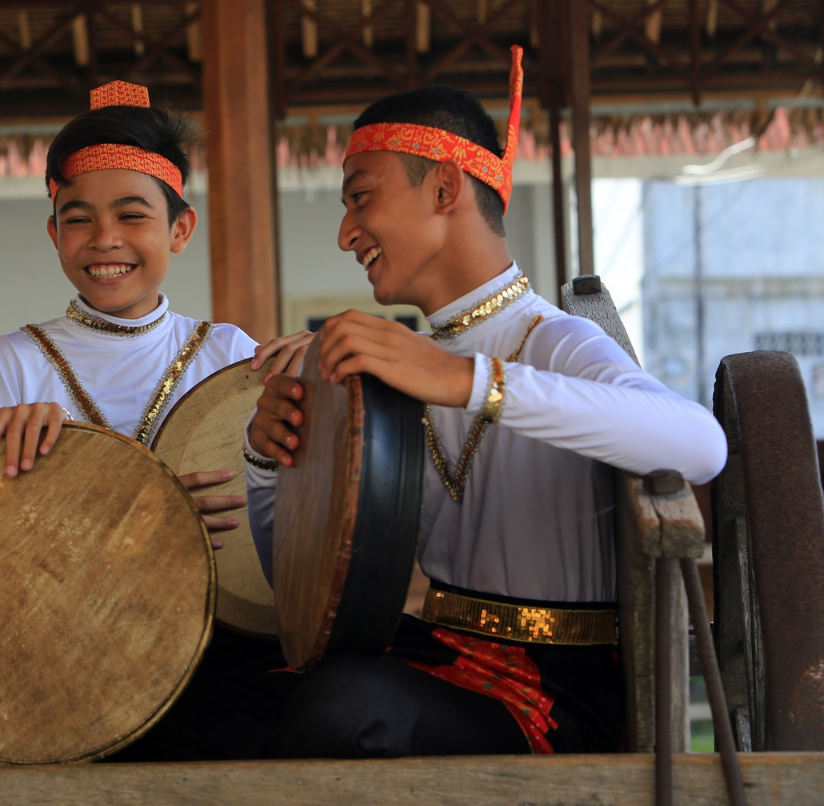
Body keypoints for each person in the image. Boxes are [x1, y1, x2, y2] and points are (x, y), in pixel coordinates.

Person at [244, 47, 728, 758]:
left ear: (444, 189)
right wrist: (270, 458)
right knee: (220, 694)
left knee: (347, 708)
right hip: (439, 656)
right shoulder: (400, 366)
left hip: (552, 694)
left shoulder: (555, 338)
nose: (347, 234)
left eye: (360, 197)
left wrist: (467, 381)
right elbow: (302, 598)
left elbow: (701, 445)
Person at [0, 82, 308, 759]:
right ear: (55, 233)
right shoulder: (20, 361)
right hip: (71, 649)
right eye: (79, 218)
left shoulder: (230, 356)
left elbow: (282, 519)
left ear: (180, 228)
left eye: (131, 214)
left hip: (219, 645)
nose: (105, 239)